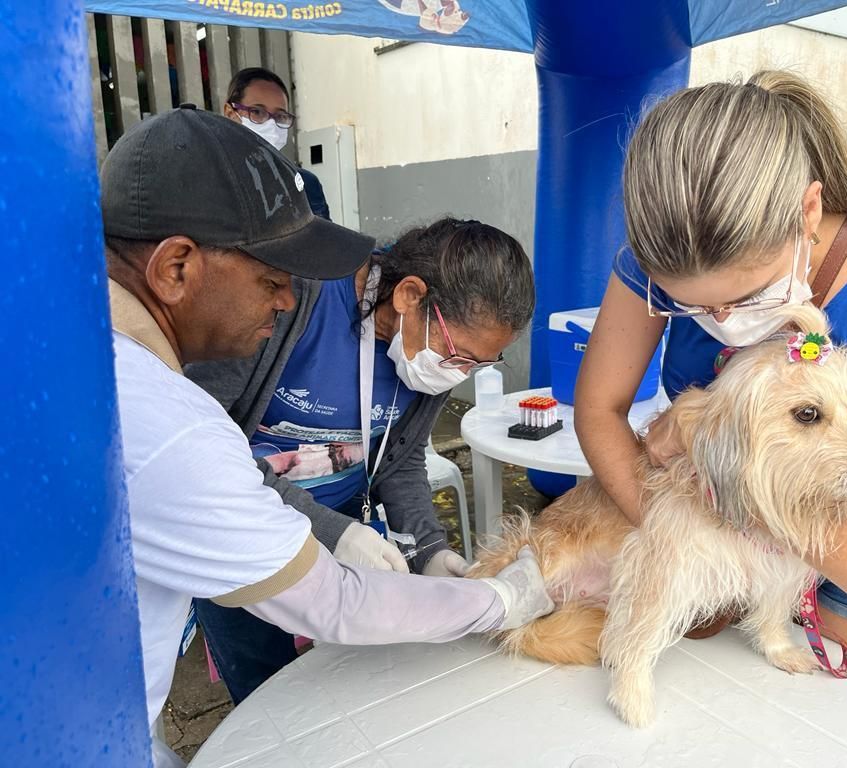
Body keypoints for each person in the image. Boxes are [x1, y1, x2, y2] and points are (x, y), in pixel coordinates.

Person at [100, 106, 553, 768]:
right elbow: (335, 604)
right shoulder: (179, 425)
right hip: (257, 538)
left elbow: (396, 465)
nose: (283, 299)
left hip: (123, 707)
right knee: (269, 704)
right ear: (174, 269)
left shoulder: (105, 366)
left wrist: (429, 553)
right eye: (270, 281)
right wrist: (494, 598)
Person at [575, 71, 847, 685]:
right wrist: (669, 543)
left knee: (836, 727)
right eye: (692, 309)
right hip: (711, 522)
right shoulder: (660, 260)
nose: (725, 322)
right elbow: (599, 409)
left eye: (748, 294)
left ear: (807, 212)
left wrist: (708, 452)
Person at [186, 216, 535, 702]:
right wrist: (332, 533)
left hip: (345, 519)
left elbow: (402, 458)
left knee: (345, 679)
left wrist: (428, 551)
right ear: (410, 296)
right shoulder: (292, 298)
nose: (461, 375)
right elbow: (202, 453)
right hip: (243, 528)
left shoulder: (429, 357)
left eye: (480, 364)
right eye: (460, 358)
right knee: (264, 684)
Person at [223, 66, 331, 220]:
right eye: (257, 112)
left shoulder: (305, 183)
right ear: (230, 113)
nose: (271, 125)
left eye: (280, 116)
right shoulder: (211, 184)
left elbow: (326, 239)